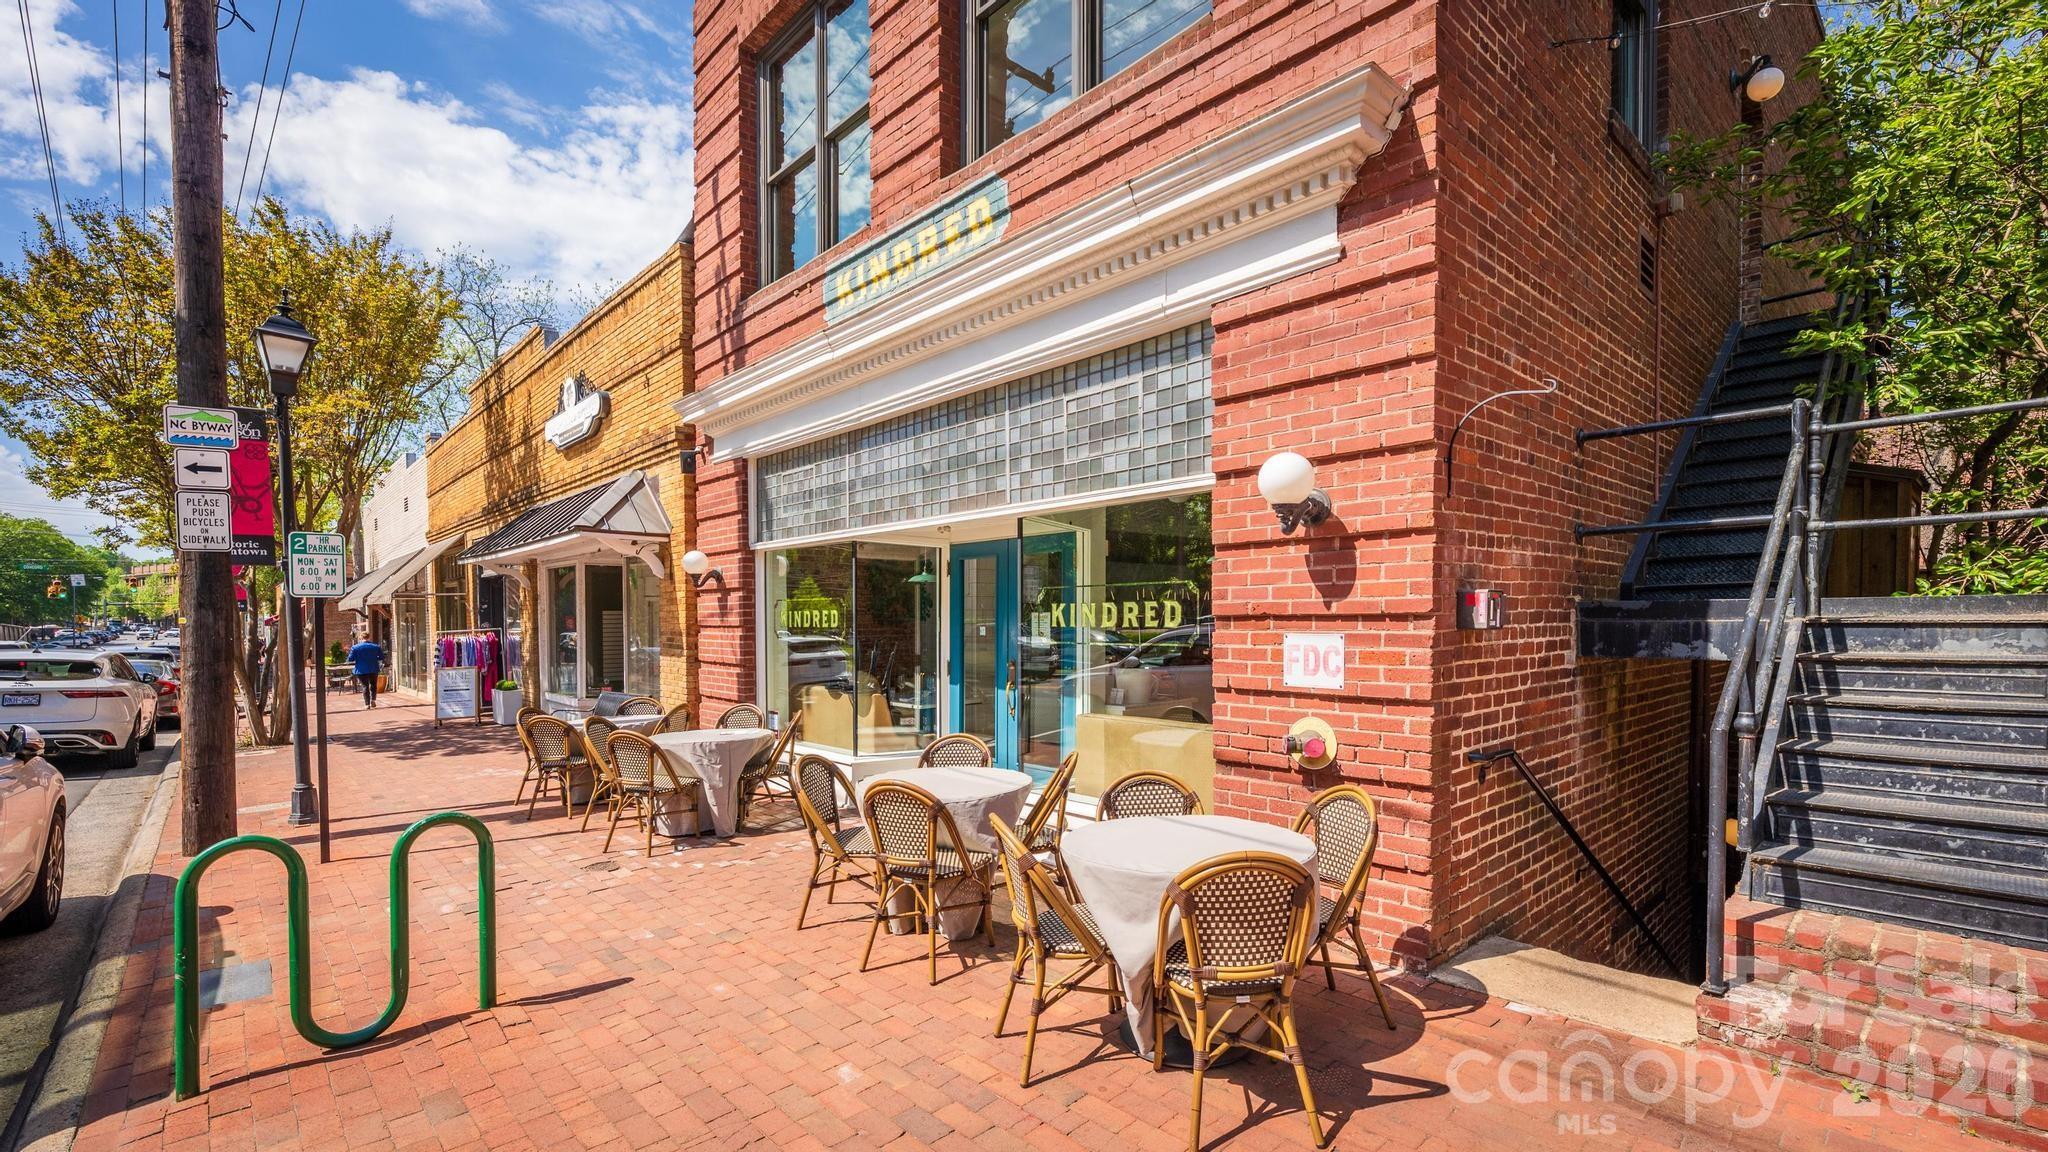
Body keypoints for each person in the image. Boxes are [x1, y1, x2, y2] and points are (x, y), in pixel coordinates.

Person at [346, 634, 387, 708]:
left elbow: (350, 659)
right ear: (369, 637)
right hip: (373, 668)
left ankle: (367, 704)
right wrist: (374, 658)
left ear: (361, 637)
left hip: (361, 669)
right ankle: (373, 700)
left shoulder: (355, 647)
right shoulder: (376, 647)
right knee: (373, 685)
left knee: (365, 686)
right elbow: (381, 657)